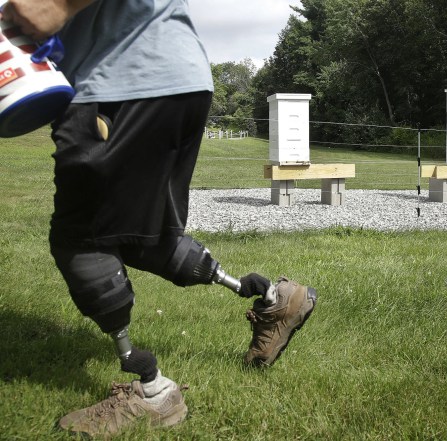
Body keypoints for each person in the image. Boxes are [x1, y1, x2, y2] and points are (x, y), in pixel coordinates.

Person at [1, 0, 317, 437]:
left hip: (121, 81)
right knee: (139, 235)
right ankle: (273, 298)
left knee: (83, 239)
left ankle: (152, 391)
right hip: (170, 75)